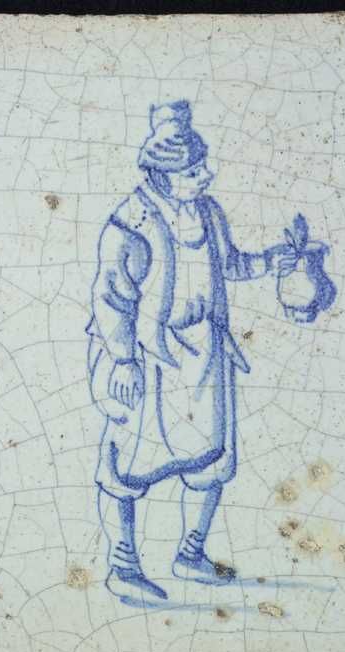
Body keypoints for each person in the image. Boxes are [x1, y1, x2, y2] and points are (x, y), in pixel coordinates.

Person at [86, 100, 297, 605]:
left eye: (203, 165)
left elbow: (230, 265)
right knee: (128, 463)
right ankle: (123, 565)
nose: (206, 175)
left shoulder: (207, 212)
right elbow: (111, 297)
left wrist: (272, 261)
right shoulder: (131, 225)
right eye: (193, 170)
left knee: (211, 459)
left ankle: (191, 553)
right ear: (163, 175)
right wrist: (122, 359)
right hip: (146, 359)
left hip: (204, 355)